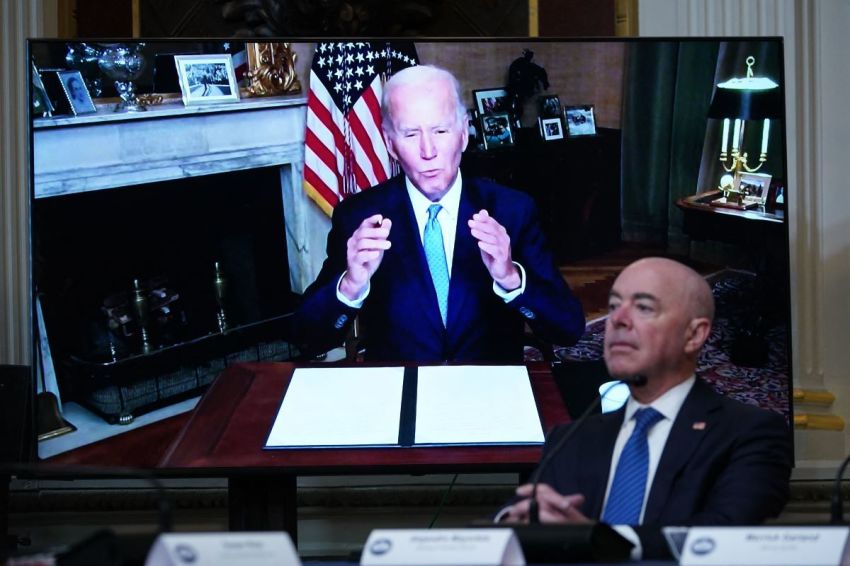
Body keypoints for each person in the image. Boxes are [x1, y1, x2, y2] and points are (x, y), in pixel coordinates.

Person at [498, 257, 792, 559]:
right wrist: (515, 522)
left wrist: (600, 540)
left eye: (644, 308)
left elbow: (724, 536)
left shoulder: (749, 433)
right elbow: (519, 513)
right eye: (613, 307)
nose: (618, 320)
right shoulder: (570, 438)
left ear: (694, 334)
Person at [293, 64, 585, 362]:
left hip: (489, 394)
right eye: (410, 134)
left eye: (440, 130)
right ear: (391, 144)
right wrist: (350, 285)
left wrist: (511, 279)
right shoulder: (359, 218)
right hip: (403, 393)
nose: (428, 150)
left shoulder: (512, 210)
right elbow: (307, 340)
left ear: (463, 133)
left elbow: (568, 329)